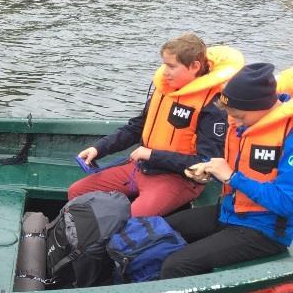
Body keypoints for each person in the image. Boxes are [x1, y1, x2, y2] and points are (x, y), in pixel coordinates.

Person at [69, 34, 241, 217]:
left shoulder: (212, 106)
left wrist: (152, 155)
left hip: (178, 179)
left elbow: (207, 163)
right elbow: (136, 128)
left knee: (133, 217)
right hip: (141, 167)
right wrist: (98, 149)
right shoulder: (165, 89)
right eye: (164, 64)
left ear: (195, 67)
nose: (164, 72)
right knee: (77, 192)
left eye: (172, 66)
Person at [160, 63, 292, 278]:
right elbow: (240, 163)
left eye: (240, 116)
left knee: (175, 266)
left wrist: (231, 177)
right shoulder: (246, 123)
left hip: (264, 231)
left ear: (263, 107)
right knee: (157, 231)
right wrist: (210, 169)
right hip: (228, 212)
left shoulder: (289, 134)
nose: (235, 122)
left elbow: (287, 203)